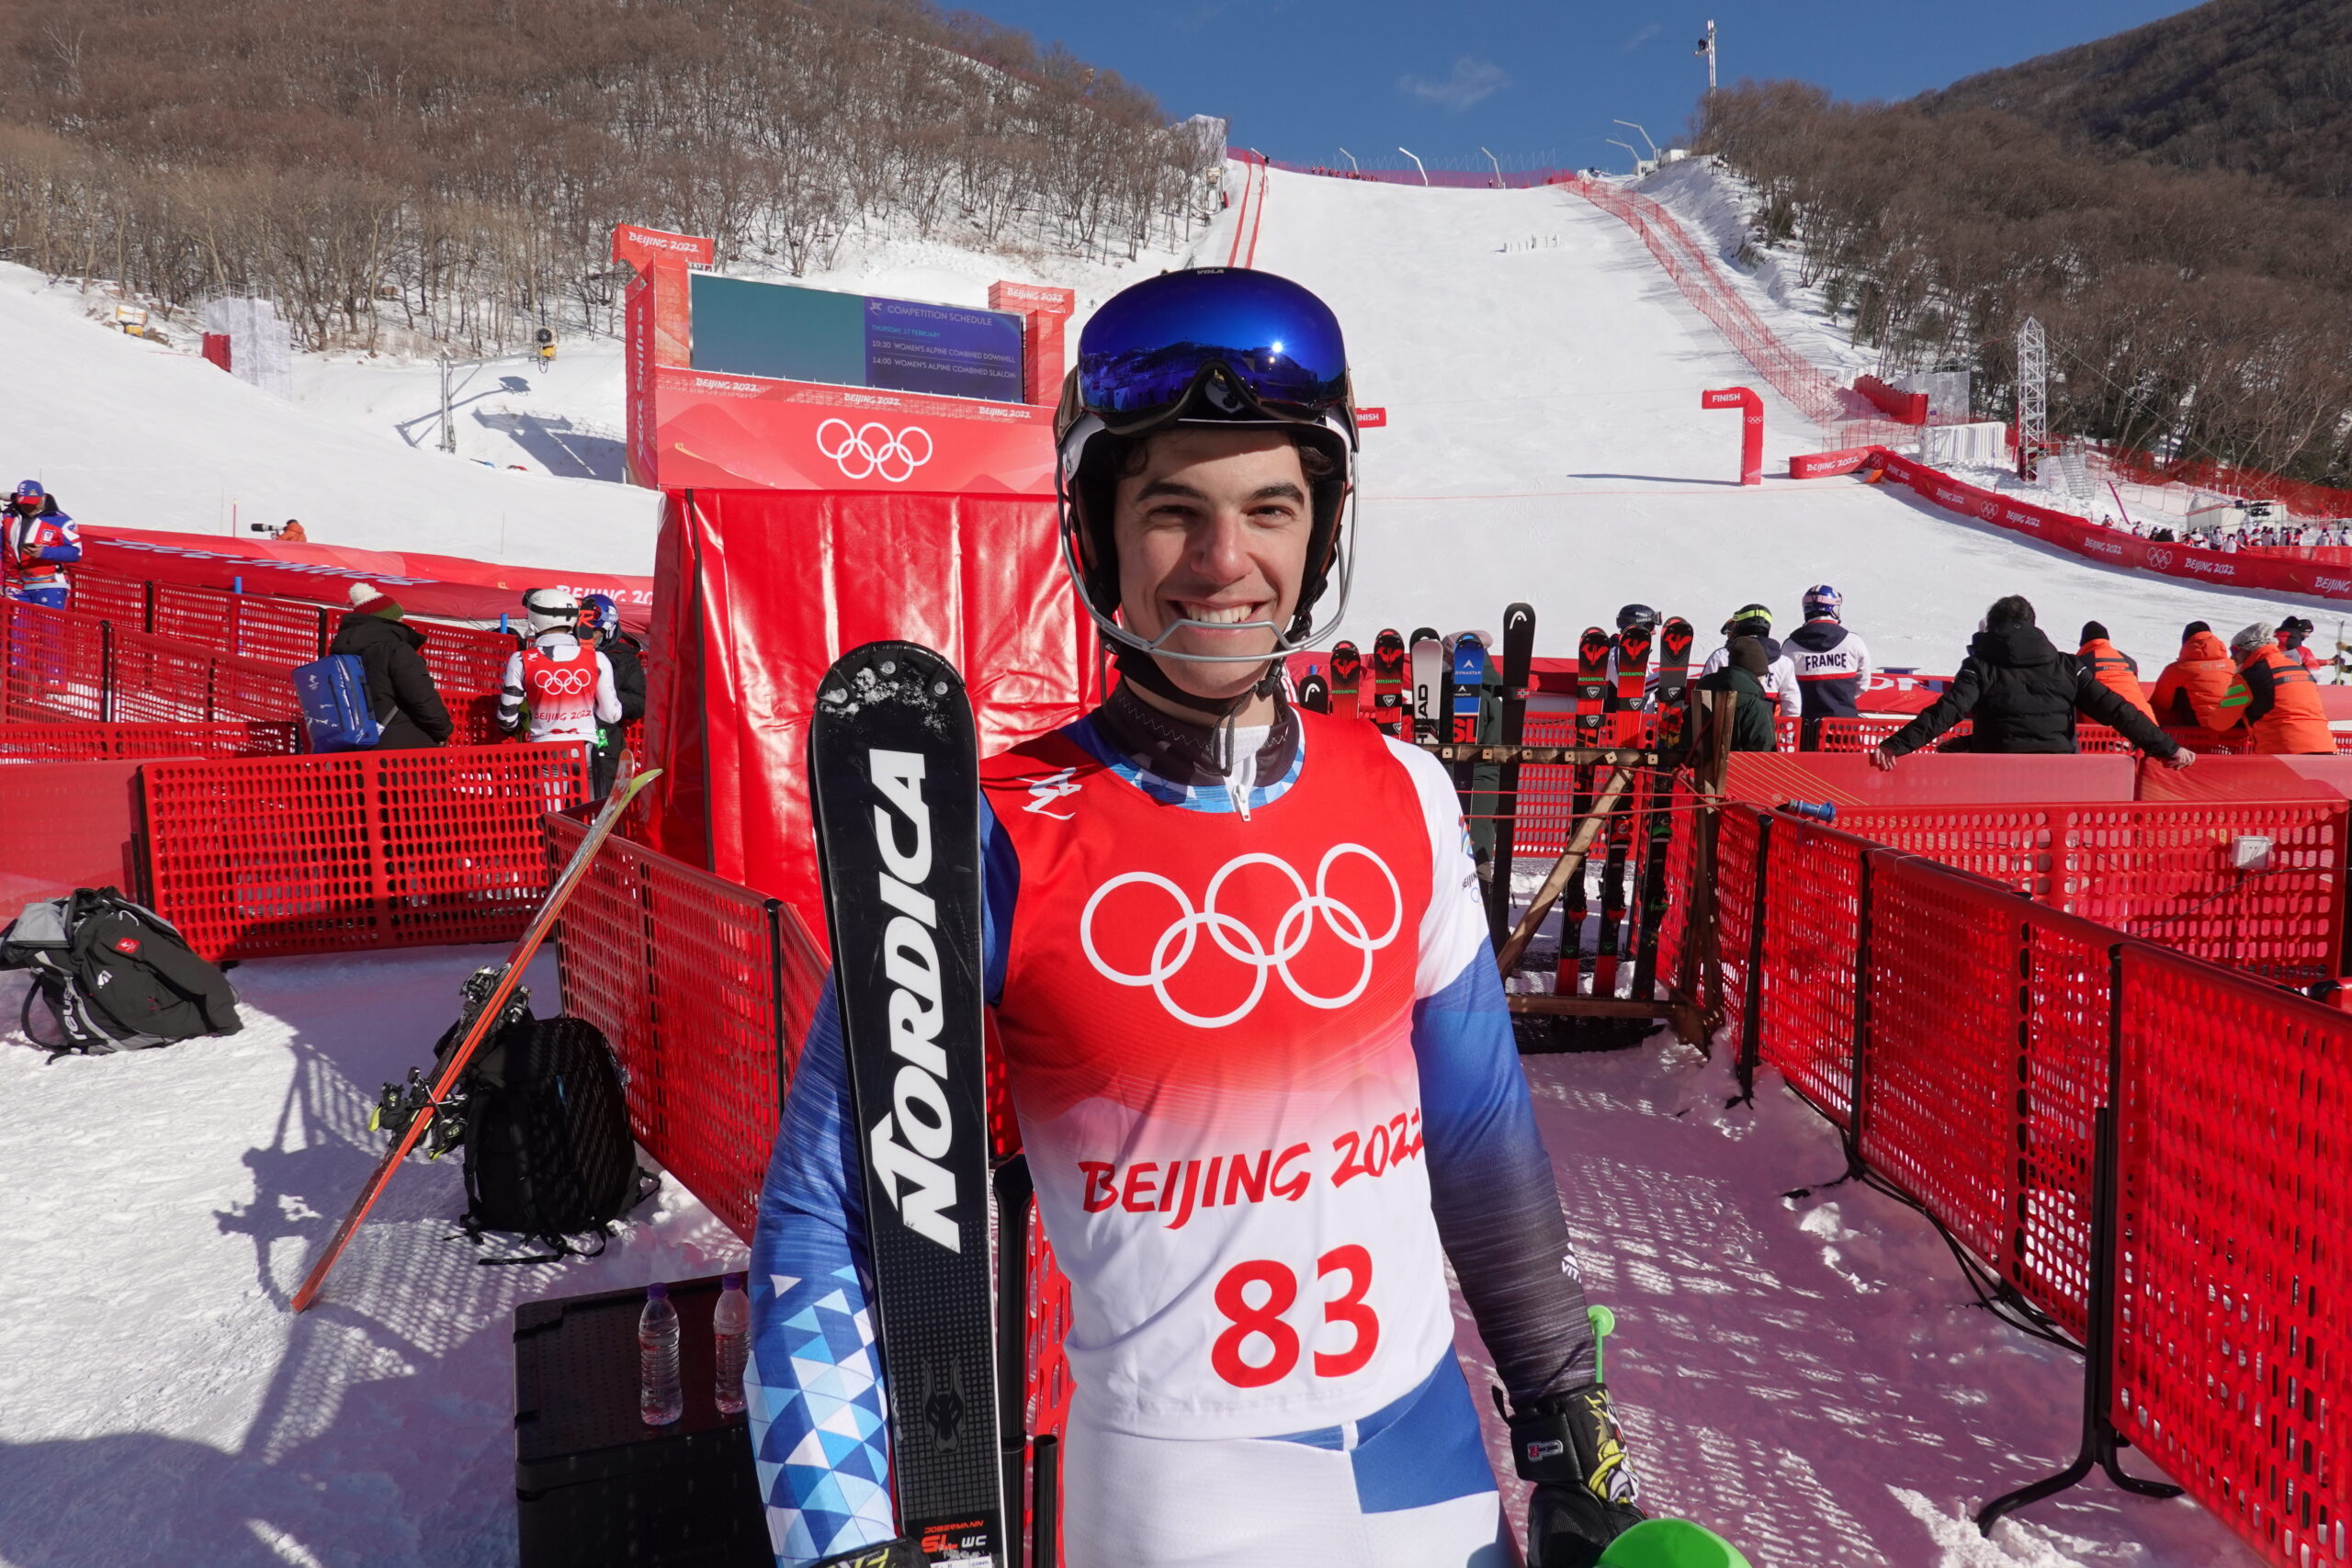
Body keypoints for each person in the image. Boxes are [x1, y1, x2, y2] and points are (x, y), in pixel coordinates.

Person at [748, 268, 1644, 1568]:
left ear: (1319, 533)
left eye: (1270, 507)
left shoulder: (1404, 789)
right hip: (1183, 1494)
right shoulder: (982, 832)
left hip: (1428, 1460)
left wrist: (1569, 1416)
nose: (1226, 562)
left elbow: (1478, 1137)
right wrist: (841, 1538)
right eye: (1174, 511)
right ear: (1100, 535)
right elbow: (825, 1214)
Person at [1871, 595, 2190, 770]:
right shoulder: (2068, 666)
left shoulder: (1979, 666)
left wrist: (1896, 746)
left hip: (1993, 774)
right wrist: (2167, 747)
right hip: (2057, 778)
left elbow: (1950, 709)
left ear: (1992, 629)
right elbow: (2118, 710)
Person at [328, 583, 454, 750]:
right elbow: (421, 697)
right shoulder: (395, 650)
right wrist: (442, 731)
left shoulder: (340, 650)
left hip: (352, 743)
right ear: (390, 620)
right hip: (399, 748)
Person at [498, 587, 620, 753]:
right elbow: (611, 715)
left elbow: (506, 719)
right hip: (588, 747)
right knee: (590, 778)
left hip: (544, 749)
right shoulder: (597, 658)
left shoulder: (521, 660)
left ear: (534, 620)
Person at [2219, 621, 2334, 754]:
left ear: (2248, 648)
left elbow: (2221, 722)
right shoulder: (2299, 670)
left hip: (2282, 750)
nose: (2232, 657)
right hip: (2324, 747)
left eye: (2234, 650)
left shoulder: (2246, 678)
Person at [575, 592, 645, 801]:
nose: (588, 636)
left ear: (607, 630)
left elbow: (640, 702)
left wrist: (606, 695)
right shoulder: (568, 653)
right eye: (585, 630)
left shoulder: (624, 659)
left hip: (603, 733)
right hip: (570, 730)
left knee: (602, 777)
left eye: (595, 631)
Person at [1784, 584, 1871, 749]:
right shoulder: (1853, 642)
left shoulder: (1791, 645)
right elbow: (1863, 684)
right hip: (1845, 728)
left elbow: (1786, 690)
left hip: (1807, 729)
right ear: (1833, 609)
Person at [1699, 603, 1801, 726]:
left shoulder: (1722, 656)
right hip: (1766, 733)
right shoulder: (1784, 663)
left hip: (1724, 732)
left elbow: (1703, 696)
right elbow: (1792, 705)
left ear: (1739, 626)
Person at [2, 480, 79, 607]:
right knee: (18, 627)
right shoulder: (9, 517)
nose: (28, 507)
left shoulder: (61, 520)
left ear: (42, 498)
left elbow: (75, 552)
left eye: (33, 503)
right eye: (24, 503)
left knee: (49, 626)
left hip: (49, 584)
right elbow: (2, 548)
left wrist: (45, 552)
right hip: (15, 583)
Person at [1693, 636, 1778, 750]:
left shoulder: (1704, 689)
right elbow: (1763, 752)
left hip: (1696, 765)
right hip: (1739, 767)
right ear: (1757, 672)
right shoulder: (1755, 706)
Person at [2149, 622, 2233, 730]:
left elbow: (2160, 705)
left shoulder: (2177, 669)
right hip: (2235, 727)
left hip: (2198, 729)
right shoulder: (2233, 665)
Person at [2075, 621, 2155, 721]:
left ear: (2083, 643)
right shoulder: (2129, 661)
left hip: (2102, 727)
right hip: (2146, 724)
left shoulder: (2079, 662)